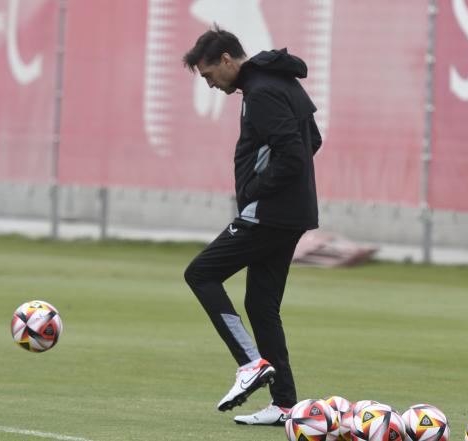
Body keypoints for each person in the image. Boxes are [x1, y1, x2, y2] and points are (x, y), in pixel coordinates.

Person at [182, 25, 321, 426]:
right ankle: (284, 405)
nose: (210, 85)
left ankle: (249, 363)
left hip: (269, 214)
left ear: (227, 60)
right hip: (289, 214)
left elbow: (294, 154)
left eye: (209, 75)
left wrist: (256, 189)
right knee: (261, 306)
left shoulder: (260, 92)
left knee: (201, 274)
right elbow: (314, 139)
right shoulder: (276, 81)